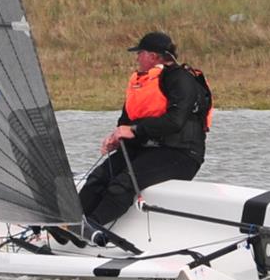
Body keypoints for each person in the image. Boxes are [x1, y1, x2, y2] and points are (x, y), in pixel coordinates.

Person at [77, 31, 208, 246]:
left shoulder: (181, 79)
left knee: (123, 183)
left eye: (141, 53)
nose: (137, 58)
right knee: (99, 177)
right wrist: (117, 138)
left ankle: (91, 227)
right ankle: (71, 224)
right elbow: (126, 121)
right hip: (146, 150)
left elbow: (175, 121)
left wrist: (135, 131)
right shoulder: (143, 82)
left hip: (181, 154)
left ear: (154, 56)